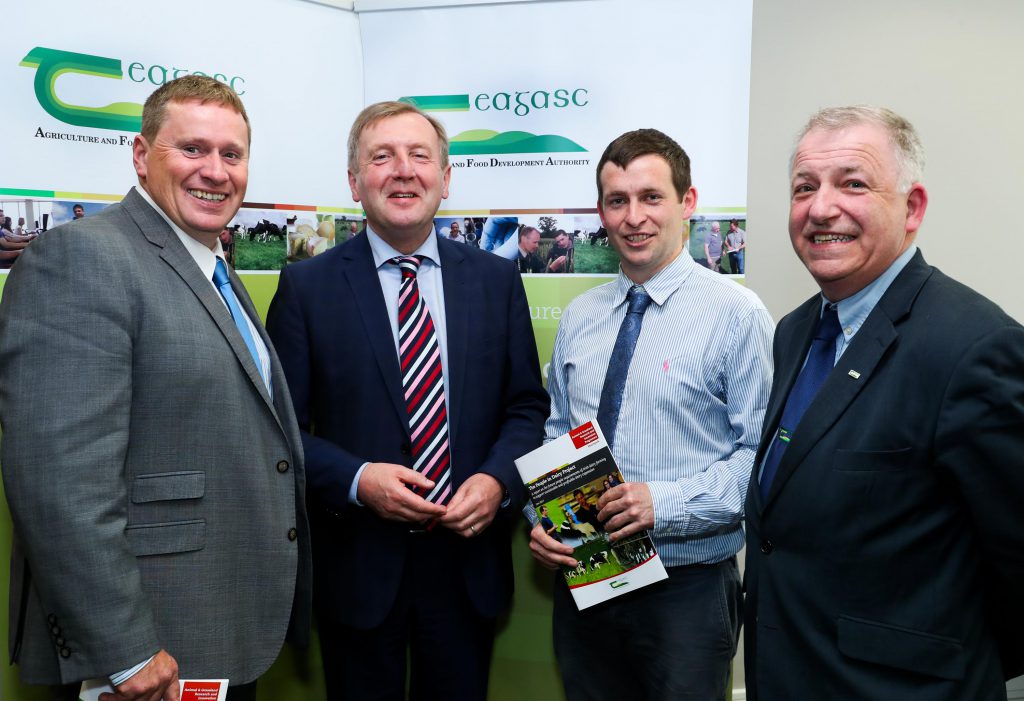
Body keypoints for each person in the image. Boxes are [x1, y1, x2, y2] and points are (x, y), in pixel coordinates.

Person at [0, 75, 311, 701]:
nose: (216, 171)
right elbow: (58, 479)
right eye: (192, 149)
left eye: (232, 154)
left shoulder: (209, 265)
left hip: (218, 622)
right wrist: (124, 650)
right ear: (142, 156)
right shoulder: (82, 258)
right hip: (146, 646)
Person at [265, 100, 548, 701]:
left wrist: (499, 483)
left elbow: (526, 408)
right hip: (360, 569)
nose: (403, 170)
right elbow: (277, 430)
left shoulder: (496, 282)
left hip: (467, 565)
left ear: (445, 180)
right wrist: (359, 479)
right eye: (382, 156)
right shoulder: (306, 288)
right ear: (354, 181)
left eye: (420, 156)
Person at [744, 106, 1024, 700]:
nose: (821, 208)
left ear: (912, 207)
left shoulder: (974, 346)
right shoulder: (794, 333)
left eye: (853, 183)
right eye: (804, 188)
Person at [528, 128, 774, 701]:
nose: (633, 217)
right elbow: (558, 433)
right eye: (618, 201)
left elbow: (760, 459)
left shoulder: (735, 315)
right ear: (601, 212)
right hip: (585, 579)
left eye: (651, 197)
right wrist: (541, 521)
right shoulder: (581, 318)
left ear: (687, 203)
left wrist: (657, 503)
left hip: (684, 592)